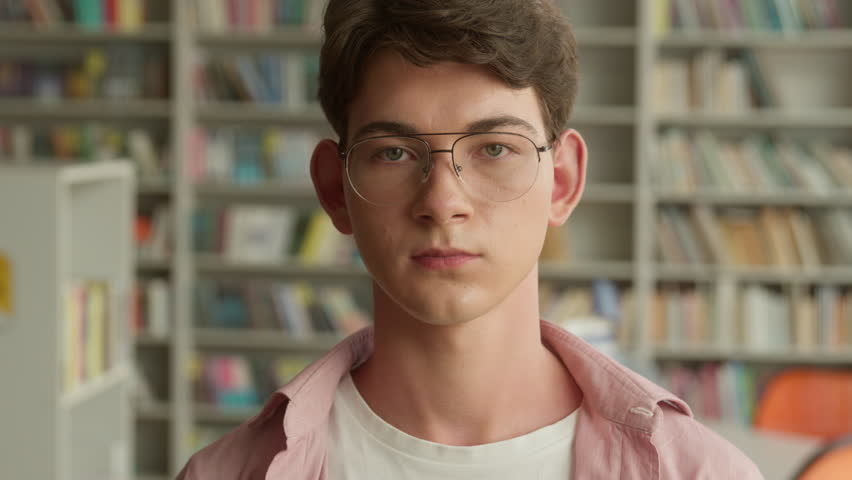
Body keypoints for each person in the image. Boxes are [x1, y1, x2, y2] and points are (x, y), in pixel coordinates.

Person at [177, 0, 763, 478]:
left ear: (562, 181)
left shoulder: (701, 473)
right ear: (336, 189)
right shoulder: (224, 475)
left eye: (494, 149)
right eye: (394, 153)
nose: (442, 202)